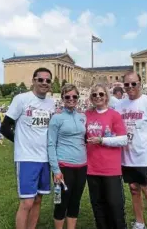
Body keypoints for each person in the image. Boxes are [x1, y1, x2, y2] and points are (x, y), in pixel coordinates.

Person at [0, 67, 55, 229]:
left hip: (45, 159)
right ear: (33, 80)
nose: (44, 83)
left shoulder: (51, 103)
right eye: (41, 79)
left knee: (38, 199)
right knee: (27, 201)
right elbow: (5, 127)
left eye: (48, 80)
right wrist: (19, 142)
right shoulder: (21, 99)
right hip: (26, 158)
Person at [115, 72, 147, 229]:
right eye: (127, 85)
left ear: (140, 83)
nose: (130, 87)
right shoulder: (119, 105)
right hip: (127, 155)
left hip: (145, 155)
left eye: (133, 84)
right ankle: (139, 222)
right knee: (133, 189)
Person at [85, 83, 128, 229]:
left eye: (101, 94)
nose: (98, 97)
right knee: (98, 205)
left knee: (115, 204)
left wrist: (102, 140)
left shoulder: (114, 115)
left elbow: (124, 139)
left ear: (106, 97)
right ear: (91, 98)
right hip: (92, 168)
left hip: (110, 168)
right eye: (95, 94)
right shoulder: (86, 115)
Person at [48, 84, 87, 229]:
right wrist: (56, 169)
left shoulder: (82, 117)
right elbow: (51, 144)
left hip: (82, 165)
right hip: (64, 166)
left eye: (74, 96)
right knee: (61, 202)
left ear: (78, 98)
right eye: (67, 97)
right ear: (63, 98)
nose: (71, 99)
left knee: (75, 201)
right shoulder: (57, 118)